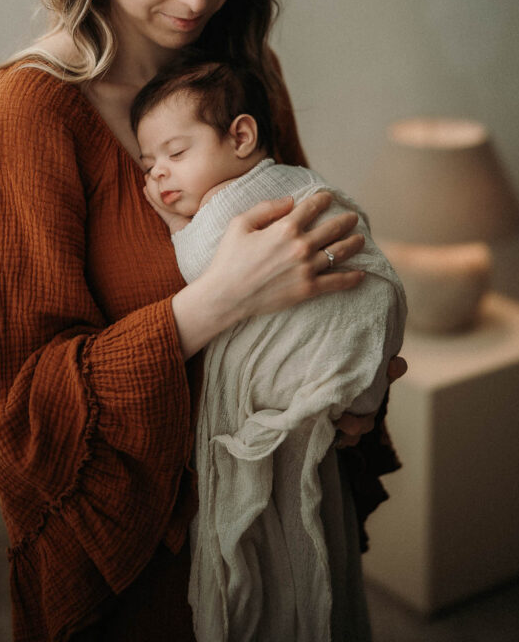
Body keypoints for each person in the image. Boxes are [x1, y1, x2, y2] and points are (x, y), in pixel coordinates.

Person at [0, 0, 406, 642]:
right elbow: (21, 408)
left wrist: (354, 384)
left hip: (287, 521)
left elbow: (315, 256)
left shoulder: (243, 78)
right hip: (152, 566)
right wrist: (213, 304)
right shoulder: (36, 111)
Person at [132, 58, 406, 642]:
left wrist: (173, 224)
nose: (157, 176)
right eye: (148, 164)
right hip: (346, 378)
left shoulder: (237, 201)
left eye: (175, 154)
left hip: (309, 364)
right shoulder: (291, 177)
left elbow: (206, 272)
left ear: (242, 136)